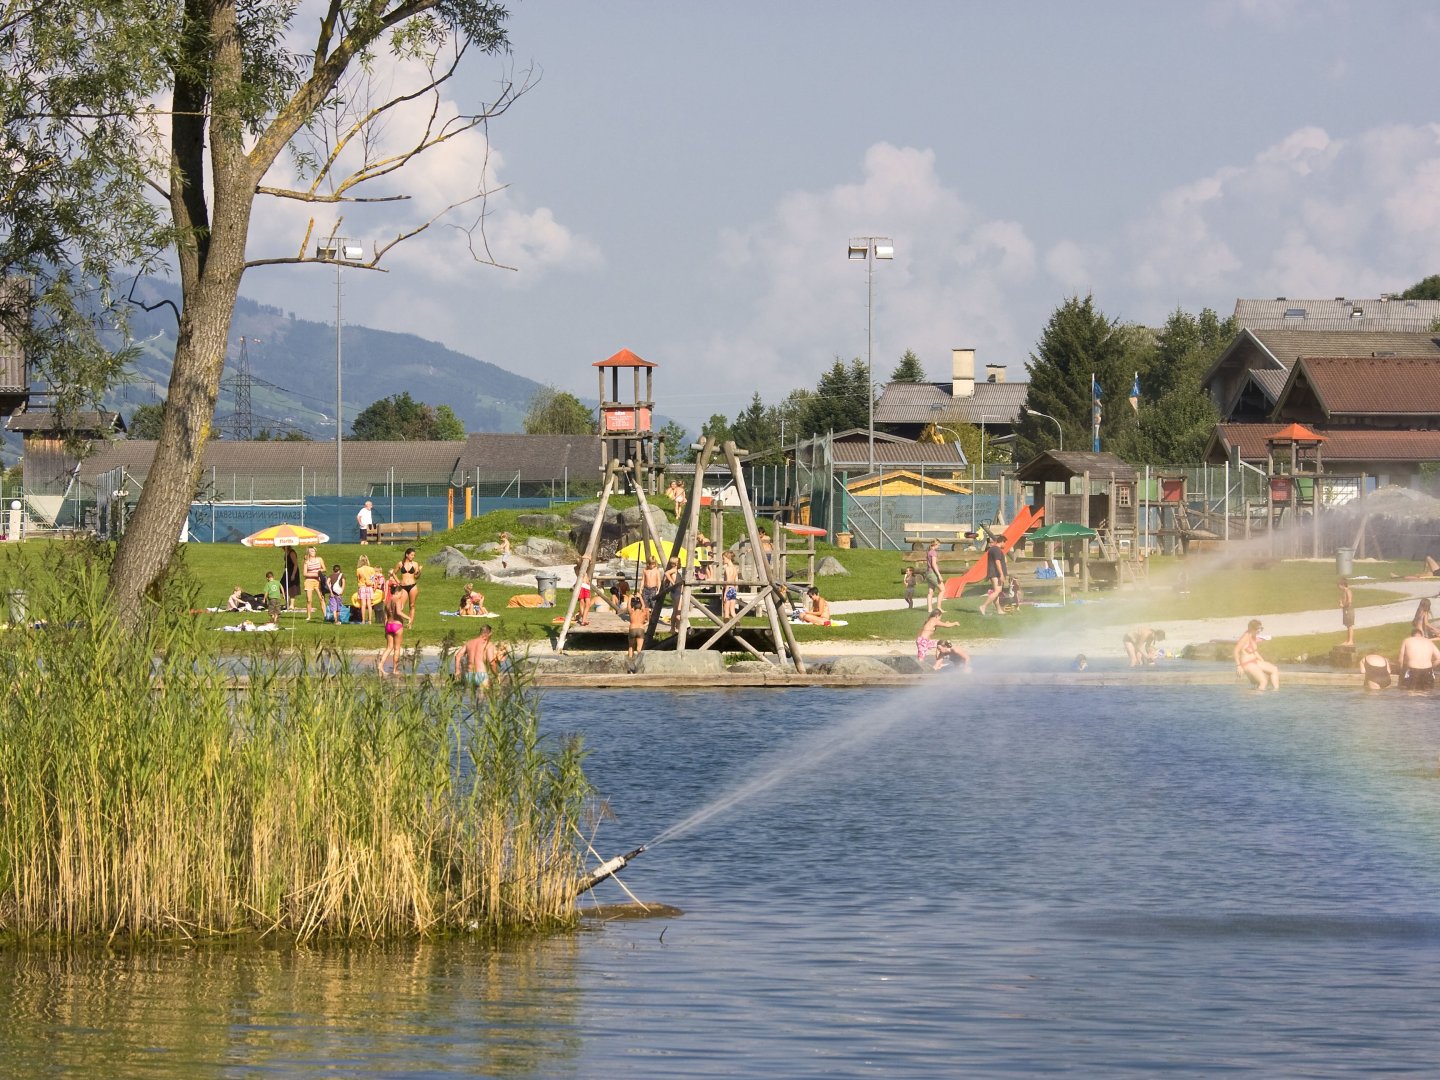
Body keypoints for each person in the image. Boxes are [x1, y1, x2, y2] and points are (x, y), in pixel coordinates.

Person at [1234, 618, 1279, 691]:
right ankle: (1256, 698)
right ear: (1252, 629)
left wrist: (1262, 660)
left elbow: (1254, 651)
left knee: (1274, 669)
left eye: (1261, 629)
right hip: (1247, 664)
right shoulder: (1246, 637)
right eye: (1258, 629)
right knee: (1263, 682)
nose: (1260, 631)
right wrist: (1239, 666)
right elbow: (1236, 651)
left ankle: (1276, 692)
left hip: (1255, 661)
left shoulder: (1253, 635)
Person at [454, 625, 499, 691]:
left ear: (480, 632)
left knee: (471, 699)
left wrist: (457, 671)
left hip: (469, 675)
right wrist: (496, 675)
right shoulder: (488, 644)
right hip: (482, 676)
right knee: (485, 698)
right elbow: (492, 662)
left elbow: (458, 655)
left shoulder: (469, 643)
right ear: (489, 633)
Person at [1397, 625, 1440, 690]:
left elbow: (1400, 659)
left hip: (1413, 670)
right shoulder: (1429, 641)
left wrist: (1401, 670)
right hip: (1427, 670)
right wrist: (1432, 667)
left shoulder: (1407, 640)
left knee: (1411, 693)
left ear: (1412, 635)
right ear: (1422, 635)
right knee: (1426, 694)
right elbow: (1439, 658)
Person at [976, 536, 1008, 616]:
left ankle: (999, 610)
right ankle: (983, 606)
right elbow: (997, 562)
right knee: (997, 591)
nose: (1005, 545)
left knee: (996, 592)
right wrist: (1001, 574)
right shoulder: (996, 550)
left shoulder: (992, 549)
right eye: (1005, 543)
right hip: (996, 574)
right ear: (1002, 541)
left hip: (993, 573)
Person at [392, 547, 421, 628]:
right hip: (403, 587)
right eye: (411, 555)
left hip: (413, 586)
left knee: (412, 605)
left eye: (414, 555)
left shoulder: (415, 564)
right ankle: (399, 622)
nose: (413, 556)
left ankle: (410, 624)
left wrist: (419, 571)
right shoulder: (400, 563)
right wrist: (398, 581)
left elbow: (416, 576)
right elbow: (393, 573)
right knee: (400, 606)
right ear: (407, 555)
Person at [378, 596, 404, 677]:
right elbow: (399, 612)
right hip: (397, 625)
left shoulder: (387, 602)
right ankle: (395, 670)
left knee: (389, 647)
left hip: (389, 625)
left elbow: (385, 617)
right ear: (399, 592)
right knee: (397, 649)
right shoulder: (398, 600)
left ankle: (380, 665)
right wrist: (409, 618)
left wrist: (385, 630)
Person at [626, 592, 650, 670]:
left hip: (632, 628)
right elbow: (644, 606)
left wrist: (630, 597)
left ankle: (630, 665)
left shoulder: (631, 612)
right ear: (640, 607)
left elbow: (628, 606)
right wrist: (640, 598)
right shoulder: (644, 612)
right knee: (639, 648)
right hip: (640, 629)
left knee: (631, 647)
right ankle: (639, 665)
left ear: (634, 607)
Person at [923, 539, 944, 614]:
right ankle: (939, 608)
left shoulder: (928, 552)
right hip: (933, 573)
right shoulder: (933, 552)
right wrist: (939, 575)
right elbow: (934, 565)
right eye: (938, 545)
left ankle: (929, 609)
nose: (939, 547)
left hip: (928, 573)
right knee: (942, 590)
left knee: (930, 592)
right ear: (935, 545)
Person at [356, 554, 377, 625]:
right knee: (369, 604)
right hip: (369, 587)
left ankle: (363, 620)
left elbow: (358, 580)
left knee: (363, 605)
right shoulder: (372, 569)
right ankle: (370, 620)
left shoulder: (359, 570)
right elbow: (373, 579)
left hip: (362, 587)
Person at [721, 550, 739, 621]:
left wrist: (725, 593)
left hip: (728, 589)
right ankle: (738, 623)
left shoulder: (727, 568)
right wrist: (735, 590)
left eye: (723, 558)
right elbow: (736, 581)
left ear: (728, 558)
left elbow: (728, 581)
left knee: (726, 612)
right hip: (733, 590)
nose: (723, 560)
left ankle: (725, 628)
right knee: (732, 611)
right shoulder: (735, 568)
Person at [574, 556, 593, 626]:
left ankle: (582, 618)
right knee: (587, 604)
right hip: (585, 586)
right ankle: (584, 619)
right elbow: (590, 563)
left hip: (580, 585)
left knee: (582, 602)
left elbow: (590, 563)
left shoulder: (576, 568)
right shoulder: (583, 568)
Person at [1338, 576, 1354, 646]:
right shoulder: (1344, 592)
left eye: (1339, 586)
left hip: (1349, 609)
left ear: (1343, 585)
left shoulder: (1348, 591)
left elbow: (1349, 601)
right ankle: (1347, 640)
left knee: (1350, 625)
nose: (1338, 587)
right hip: (1346, 609)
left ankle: (1351, 640)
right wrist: (1341, 603)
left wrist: (1343, 605)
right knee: (1347, 625)